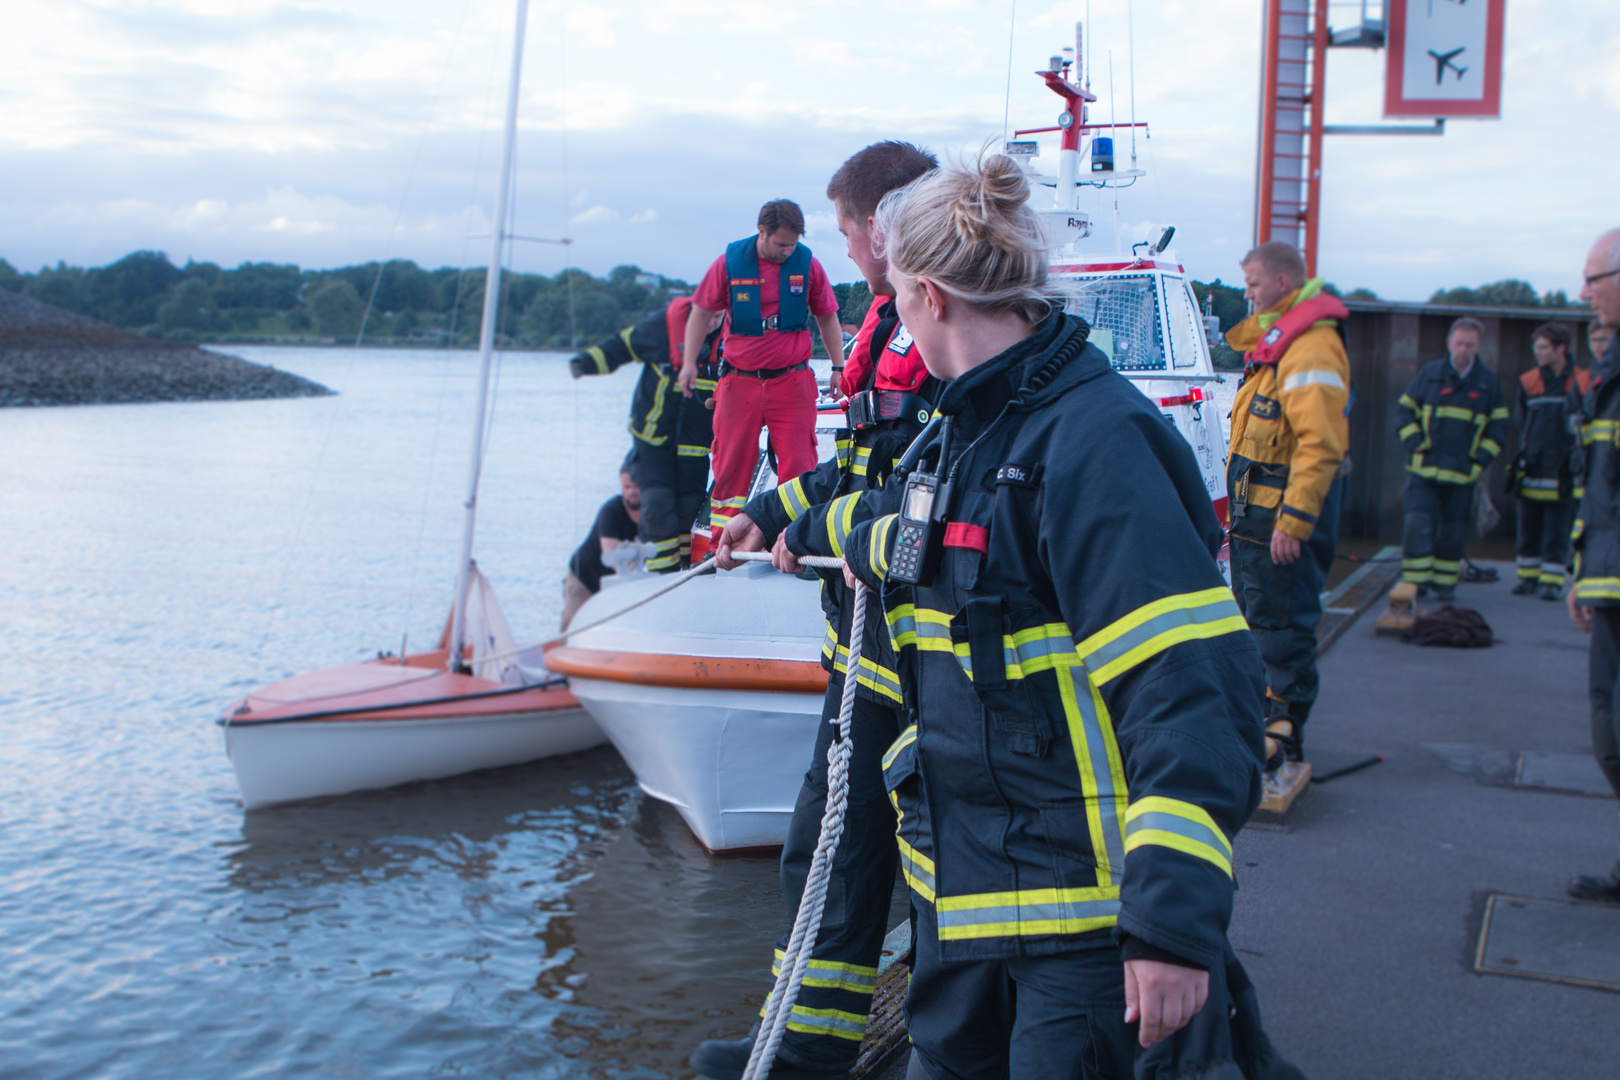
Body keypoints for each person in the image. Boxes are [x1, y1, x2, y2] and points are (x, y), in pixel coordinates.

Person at [837, 153, 1295, 1079]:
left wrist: (1169, 925)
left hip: (1082, 938)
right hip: (963, 921)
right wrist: (815, 531)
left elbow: (1193, 690)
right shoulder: (961, 436)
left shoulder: (1094, 443)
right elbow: (903, 538)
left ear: (926, 296)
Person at [690, 140, 940, 1080]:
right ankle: (804, 1043)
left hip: (901, 656)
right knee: (834, 860)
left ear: (881, 224)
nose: (839, 250)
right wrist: (766, 511)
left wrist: (819, 520)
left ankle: (805, 1055)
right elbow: (863, 468)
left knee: (843, 859)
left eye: (844, 230)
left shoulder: (929, 328)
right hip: (870, 650)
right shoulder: (892, 321)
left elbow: (919, 486)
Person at [1223, 241, 1351, 770]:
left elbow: (1321, 443)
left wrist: (1295, 522)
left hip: (1280, 523)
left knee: (1286, 626)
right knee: (1261, 623)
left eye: (1253, 285)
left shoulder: (1312, 348)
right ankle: (1264, 722)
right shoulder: (1278, 344)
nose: (1248, 296)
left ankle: (1286, 730)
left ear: (1281, 283)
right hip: (1259, 522)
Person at [678, 200, 845, 542]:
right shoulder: (728, 265)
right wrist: (688, 364)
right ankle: (721, 545)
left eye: (793, 244)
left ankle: (795, 542)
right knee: (730, 464)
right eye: (781, 243)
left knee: (800, 465)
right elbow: (700, 312)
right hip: (739, 382)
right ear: (762, 232)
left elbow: (827, 316)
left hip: (793, 381)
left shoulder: (807, 265)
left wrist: (839, 367)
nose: (788, 251)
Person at [569, 297, 724, 572]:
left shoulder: (729, 340)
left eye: (717, 317)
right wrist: (586, 363)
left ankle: (686, 570)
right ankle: (661, 574)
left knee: (689, 510)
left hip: (694, 448)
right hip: (653, 443)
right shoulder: (663, 327)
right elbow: (624, 345)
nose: (710, 323)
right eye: (706, 315)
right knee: (657, 507)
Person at [1566, 228, 1620, 904]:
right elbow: (1599, 484)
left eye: (1592, 277)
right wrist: (1585, 567)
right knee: (1607, 732)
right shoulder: (1610, 371)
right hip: (1608, 583)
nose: (1583, 292)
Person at [1394, 317, 1509, 601]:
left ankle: (1445, 587)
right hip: (1424, 472)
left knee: (1453, 534)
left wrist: (1480, 460)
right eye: (1459, 343)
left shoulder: (1488, 383)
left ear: (1479, 346)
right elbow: (1404, 412)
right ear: (1449, 343)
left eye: (1469, 345)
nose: (1463, 350)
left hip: (1462, 475)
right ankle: (1415, 585)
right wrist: (1414, 443)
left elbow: (1499, 427)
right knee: (1417, 527)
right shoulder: (1429, 374)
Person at [1509, 322, 1588, 599]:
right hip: (1533, 464)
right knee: (1528, 525)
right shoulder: (1528, 381)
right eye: (1536, 347)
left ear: (1560, 349)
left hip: (1564, 468)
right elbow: (1521, 420)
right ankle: (1527, 578)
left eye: (1543, 347)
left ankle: (1552, 582)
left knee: (1558, 526)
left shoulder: (1580, 381)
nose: (1537, 352)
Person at [560, 467, 642, 630]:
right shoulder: (610, 512)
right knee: (572, 628)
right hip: (584, 579)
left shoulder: (650, 513)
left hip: (613, 584)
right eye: (626, 487)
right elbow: (611, 557)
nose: (632, 491)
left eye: (635, 486)